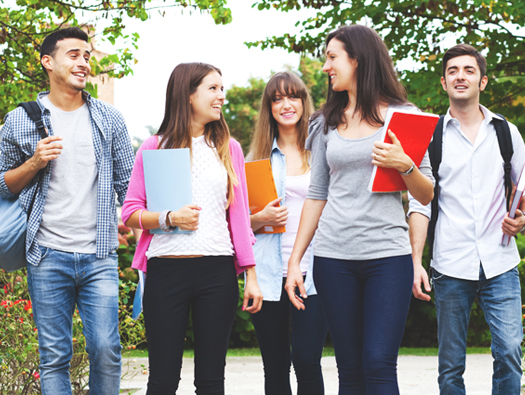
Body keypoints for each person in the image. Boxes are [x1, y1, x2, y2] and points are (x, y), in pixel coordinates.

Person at [284, 25, 434, 394]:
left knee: (378, 363)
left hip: (387, 257)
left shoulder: (403, 116)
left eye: (332, 57)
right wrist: (295, 262)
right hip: (334, 258)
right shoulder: (324, 123)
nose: (325, 67)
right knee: (349, 369)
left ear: (358, 59)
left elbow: (426, 193)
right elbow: (317, 193)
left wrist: (404, 164)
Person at [0, 27, 134, 394]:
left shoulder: (109, 119)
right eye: (74, 54)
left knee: (106, 349)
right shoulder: (20, 120)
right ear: (48, 61)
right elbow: (1, 183)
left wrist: (140, 220)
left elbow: (128, 184)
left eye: (87, 56)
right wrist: (34, 163)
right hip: (45, 253)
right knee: (54, 355)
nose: (83, 62)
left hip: (99, 254)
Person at [121, 62, 263, 395]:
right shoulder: (154, 146)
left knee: (212, 380)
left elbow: (239, 218)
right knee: (163, 380)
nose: (221, 96)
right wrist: (169, 217)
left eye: (222, 89)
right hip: (166, 270)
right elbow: (130, 213)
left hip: (217, 271)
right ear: (188, 95)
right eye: (213, 89)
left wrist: (251, 276)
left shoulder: (230, 149)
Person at [409, 44, 525, 395]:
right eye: (453, 71)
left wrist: (521, 219)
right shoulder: (430, 137)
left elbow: (523, 188)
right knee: (450, 366)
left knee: (509, 351)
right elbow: (420, 203)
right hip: (450, 264)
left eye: (469, 70)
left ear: (483, 81)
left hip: (500, 261)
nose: (461, 76)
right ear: (444, 82)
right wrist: (416, 261)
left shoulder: (507, 133)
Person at [247, 71, 328, 395]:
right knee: (275, 366)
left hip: (314, 272)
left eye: (292, 96)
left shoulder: (322, 152)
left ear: (303, 101)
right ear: (269, 107)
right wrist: (259, 217)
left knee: (307, 360)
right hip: (268, 274)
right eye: (277, 98)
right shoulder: (256, 160)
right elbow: (240, 227)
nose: (286, 104)